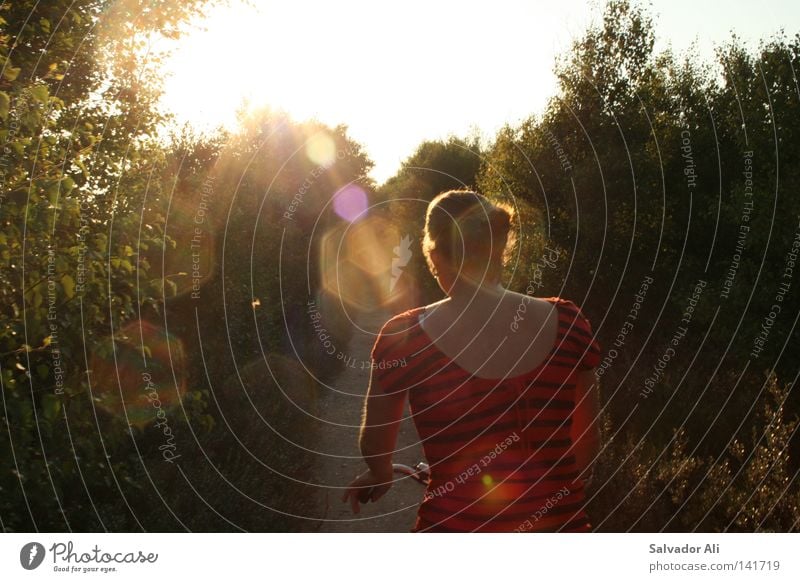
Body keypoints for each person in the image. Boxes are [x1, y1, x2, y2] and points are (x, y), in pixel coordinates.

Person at [342, 190, 602, 532]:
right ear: (499, 249)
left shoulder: (403, 338)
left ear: (435, 255)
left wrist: (380, 472)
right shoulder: (569, 322)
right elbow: (586, 444)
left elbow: (377, 445)